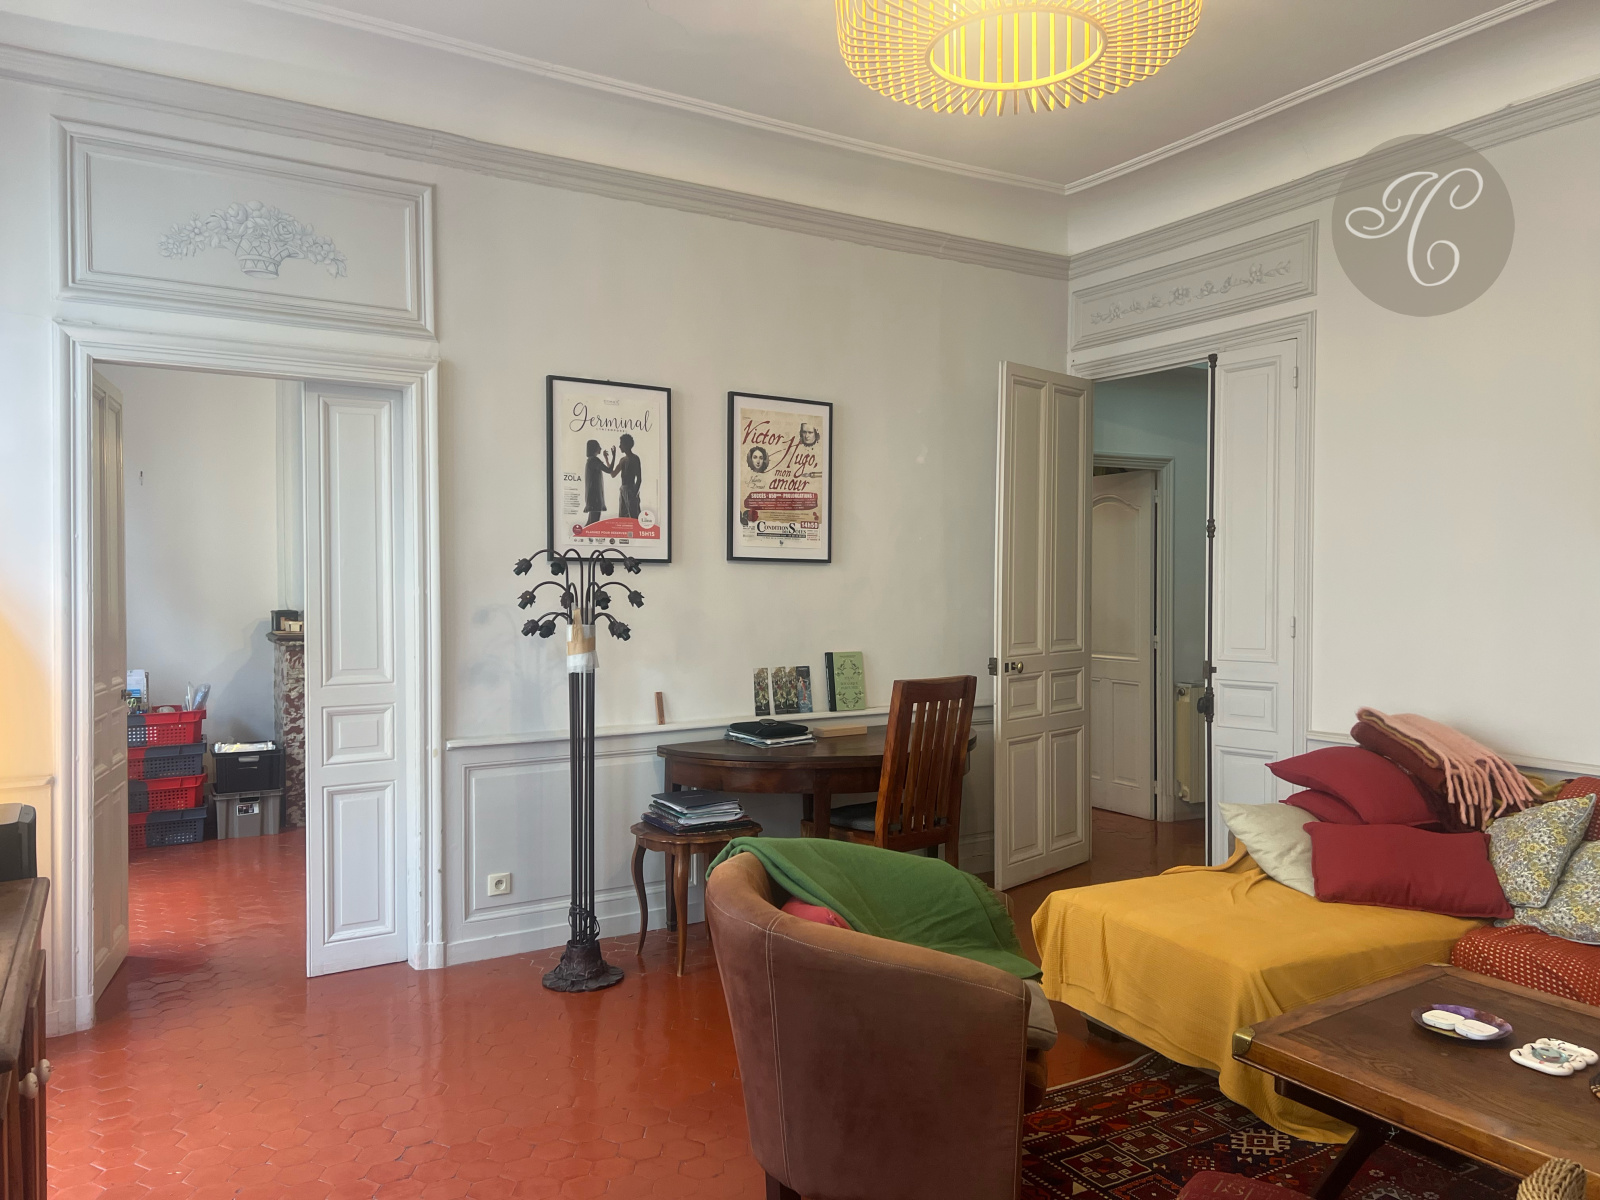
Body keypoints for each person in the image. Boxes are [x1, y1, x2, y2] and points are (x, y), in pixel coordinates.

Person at [613, 433, 642, 521]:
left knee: (634, 516)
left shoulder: (635, 458)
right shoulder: (622, 460)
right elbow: (613, 474)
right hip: (623, 490)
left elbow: (639, 478)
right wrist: (612, 457)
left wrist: (634, 493)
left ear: (626, 445)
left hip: (631, 489)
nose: (619, 446)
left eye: (621, 444)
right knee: (623, 518)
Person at [582, 439, 608, 528]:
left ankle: (580, 534)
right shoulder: (594, 460)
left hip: (592, 495)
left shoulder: (590, 461)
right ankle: (580, 534)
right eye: (598, 446)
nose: (600, 448)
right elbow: (609, 470)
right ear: (594, 448)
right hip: (595, 496)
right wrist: (612, 456)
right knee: (594, 522)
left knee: (591, 521)